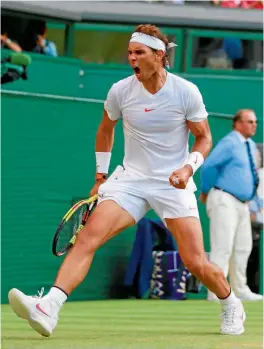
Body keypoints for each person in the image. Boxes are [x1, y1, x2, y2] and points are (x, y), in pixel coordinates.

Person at [8, 24, 246, 337]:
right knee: (88, 236)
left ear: (159, 56)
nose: (132, 59)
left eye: (139, 53)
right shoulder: (121, 91)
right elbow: (105, 129)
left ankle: (231, 304)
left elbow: (204, 138)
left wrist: (188, 168)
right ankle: (48, 307)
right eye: (129, 53)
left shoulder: (185, 92)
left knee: (196, 262)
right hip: (130, 180)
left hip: (173, 184)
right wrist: (100, 175)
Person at [200, 109, 263, 302]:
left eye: (255, 122)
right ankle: (215, 292)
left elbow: (249, 177)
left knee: (243, 246)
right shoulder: (230, 142)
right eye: (249, 122)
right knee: (223, 246)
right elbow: (209, 166)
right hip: (224, 198)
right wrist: (205, 190)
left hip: (243, 203)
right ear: (237, 123)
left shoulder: (250, 145)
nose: (254, 125)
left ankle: (239, 289)